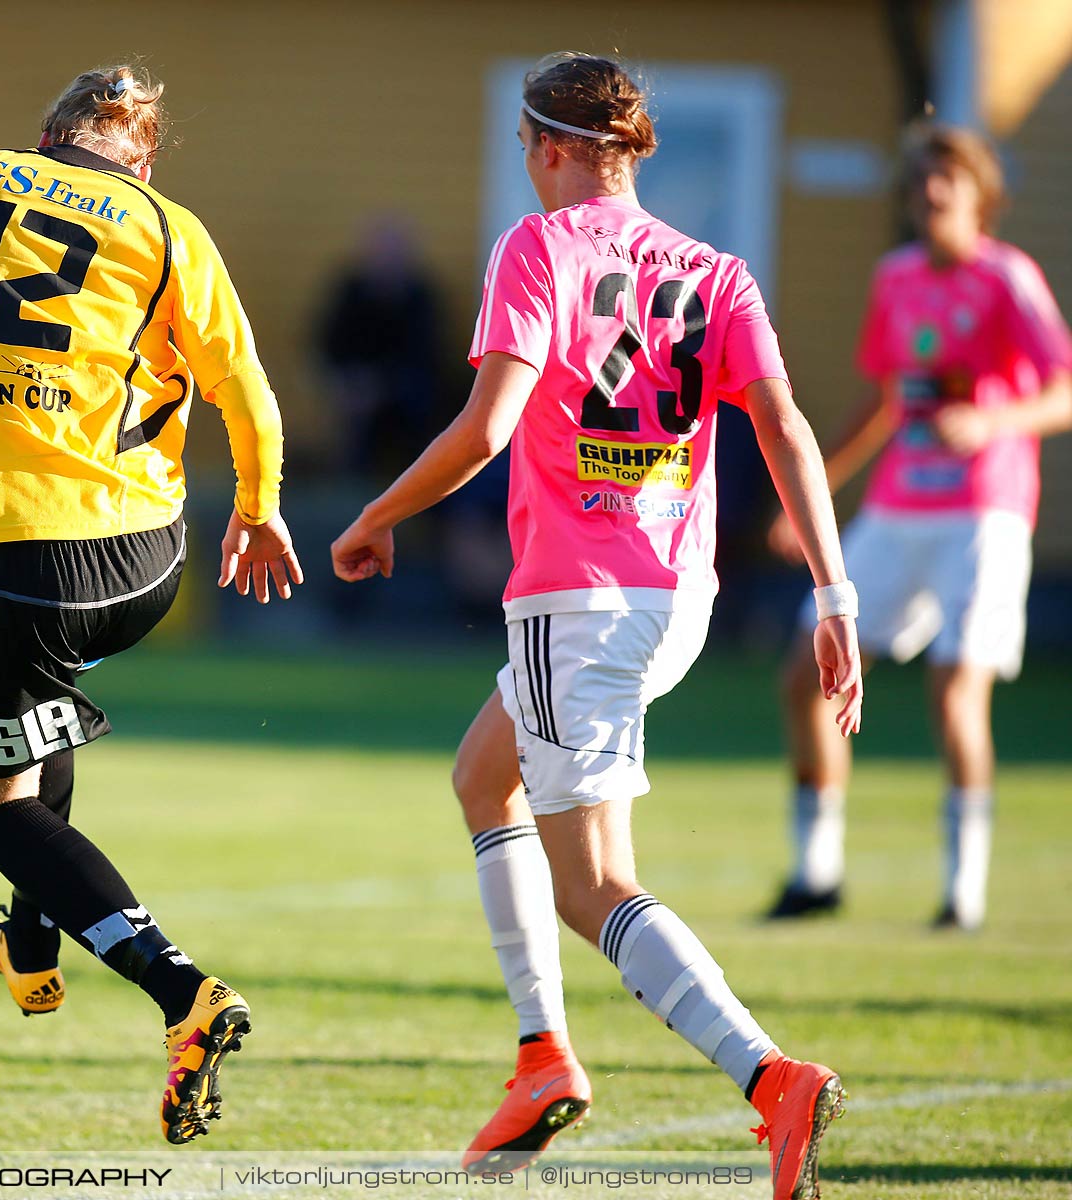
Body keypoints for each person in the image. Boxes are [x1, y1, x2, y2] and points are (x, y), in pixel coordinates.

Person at [331, 54, 862, 1200]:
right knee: (485, 778)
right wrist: (834, 592)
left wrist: (376, 514)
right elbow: (784, 429)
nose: (527, 170)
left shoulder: (539, 250)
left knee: (594, 886)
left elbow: (486, 428)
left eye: (529, 148)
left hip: (577, 602)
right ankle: (542, 1059)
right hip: (676, 597)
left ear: (560, 146)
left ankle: (771, 1079)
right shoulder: (716, 268)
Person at [0, 64, 302, 1144]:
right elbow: (246, 387)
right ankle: (30, 952)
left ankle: (184, 994)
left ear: (50, 135)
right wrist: (260, 510)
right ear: (143, 157)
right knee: (40, 711)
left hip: (18, 552)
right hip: (145, 558)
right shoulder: (170, 227)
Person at [765, 124, 1072, 930]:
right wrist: (813, 498)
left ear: (979, 195)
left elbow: (1065, 389)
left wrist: (995, 419)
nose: (931, 195)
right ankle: (816, 873)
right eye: (920, 182)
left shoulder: (1009, 277)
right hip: (899, 508)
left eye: (948, 181)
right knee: (806, 672)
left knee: (954, 693)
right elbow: (885, 400)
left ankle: (961, 897)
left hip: (982, 511)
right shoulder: (895, 278)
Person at [318, 216, 444, 475]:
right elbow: (328, 344)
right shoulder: (349, 294)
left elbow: (426, 356)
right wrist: (349, 382)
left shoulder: (421, 298)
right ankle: (355, 484)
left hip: (405, 392)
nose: (387, 261)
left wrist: (381, 386)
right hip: (356, 391)